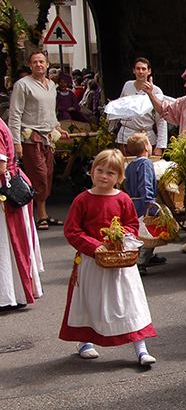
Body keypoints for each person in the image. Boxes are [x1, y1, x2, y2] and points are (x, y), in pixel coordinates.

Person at [60, 149, 158, 366]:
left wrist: (122, 235)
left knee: (129, 301)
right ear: (92, 172)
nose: (104, 176)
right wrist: (94, 247)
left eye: (110, 173)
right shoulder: (82, 200)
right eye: (100, 170)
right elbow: (72, 230)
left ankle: (141, 347)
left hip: (120, 260)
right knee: (90, 300)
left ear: (119, 177)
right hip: (92, 260)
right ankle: (85, 341)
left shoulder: (123, 199)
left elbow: (132, 224)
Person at [8, 51, 71, 230]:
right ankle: (40, 214)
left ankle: (43, 214)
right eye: (35, 62)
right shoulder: (22, 85)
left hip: (48, 137)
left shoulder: (51, 85)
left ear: (47, 64)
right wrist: (16, 141)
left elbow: (50, 112)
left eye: (41, 62)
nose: (39, 65)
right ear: (30, 65)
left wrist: (57, 127)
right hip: (30, 137)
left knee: (49, 174)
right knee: (39, 174)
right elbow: (15, 114)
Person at [0, 117, 43, 310]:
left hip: (5, 192)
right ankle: (11, 293)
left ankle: (10, 295)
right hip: (9, 188)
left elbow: (1, 167)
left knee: (7, 246)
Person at [124, 133, 167, 275]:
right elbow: (146, 184)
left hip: (133, 201)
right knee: (149, 232)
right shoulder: (146, 163)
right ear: (146, 147)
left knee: (138, 232)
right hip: (144, 202)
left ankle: (137, 258)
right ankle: (141, 262)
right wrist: (150, 202)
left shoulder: (130, 165)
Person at [116, 58, 167, 156]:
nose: (141, 72)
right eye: (138, 69)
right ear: (133, 70)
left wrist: (160, 146)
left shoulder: (156, 91)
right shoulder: (127, 86)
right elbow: (120, 108)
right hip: (126, 137)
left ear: (149, 71)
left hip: (146, 138)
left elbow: (161, 119)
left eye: (144, 69)